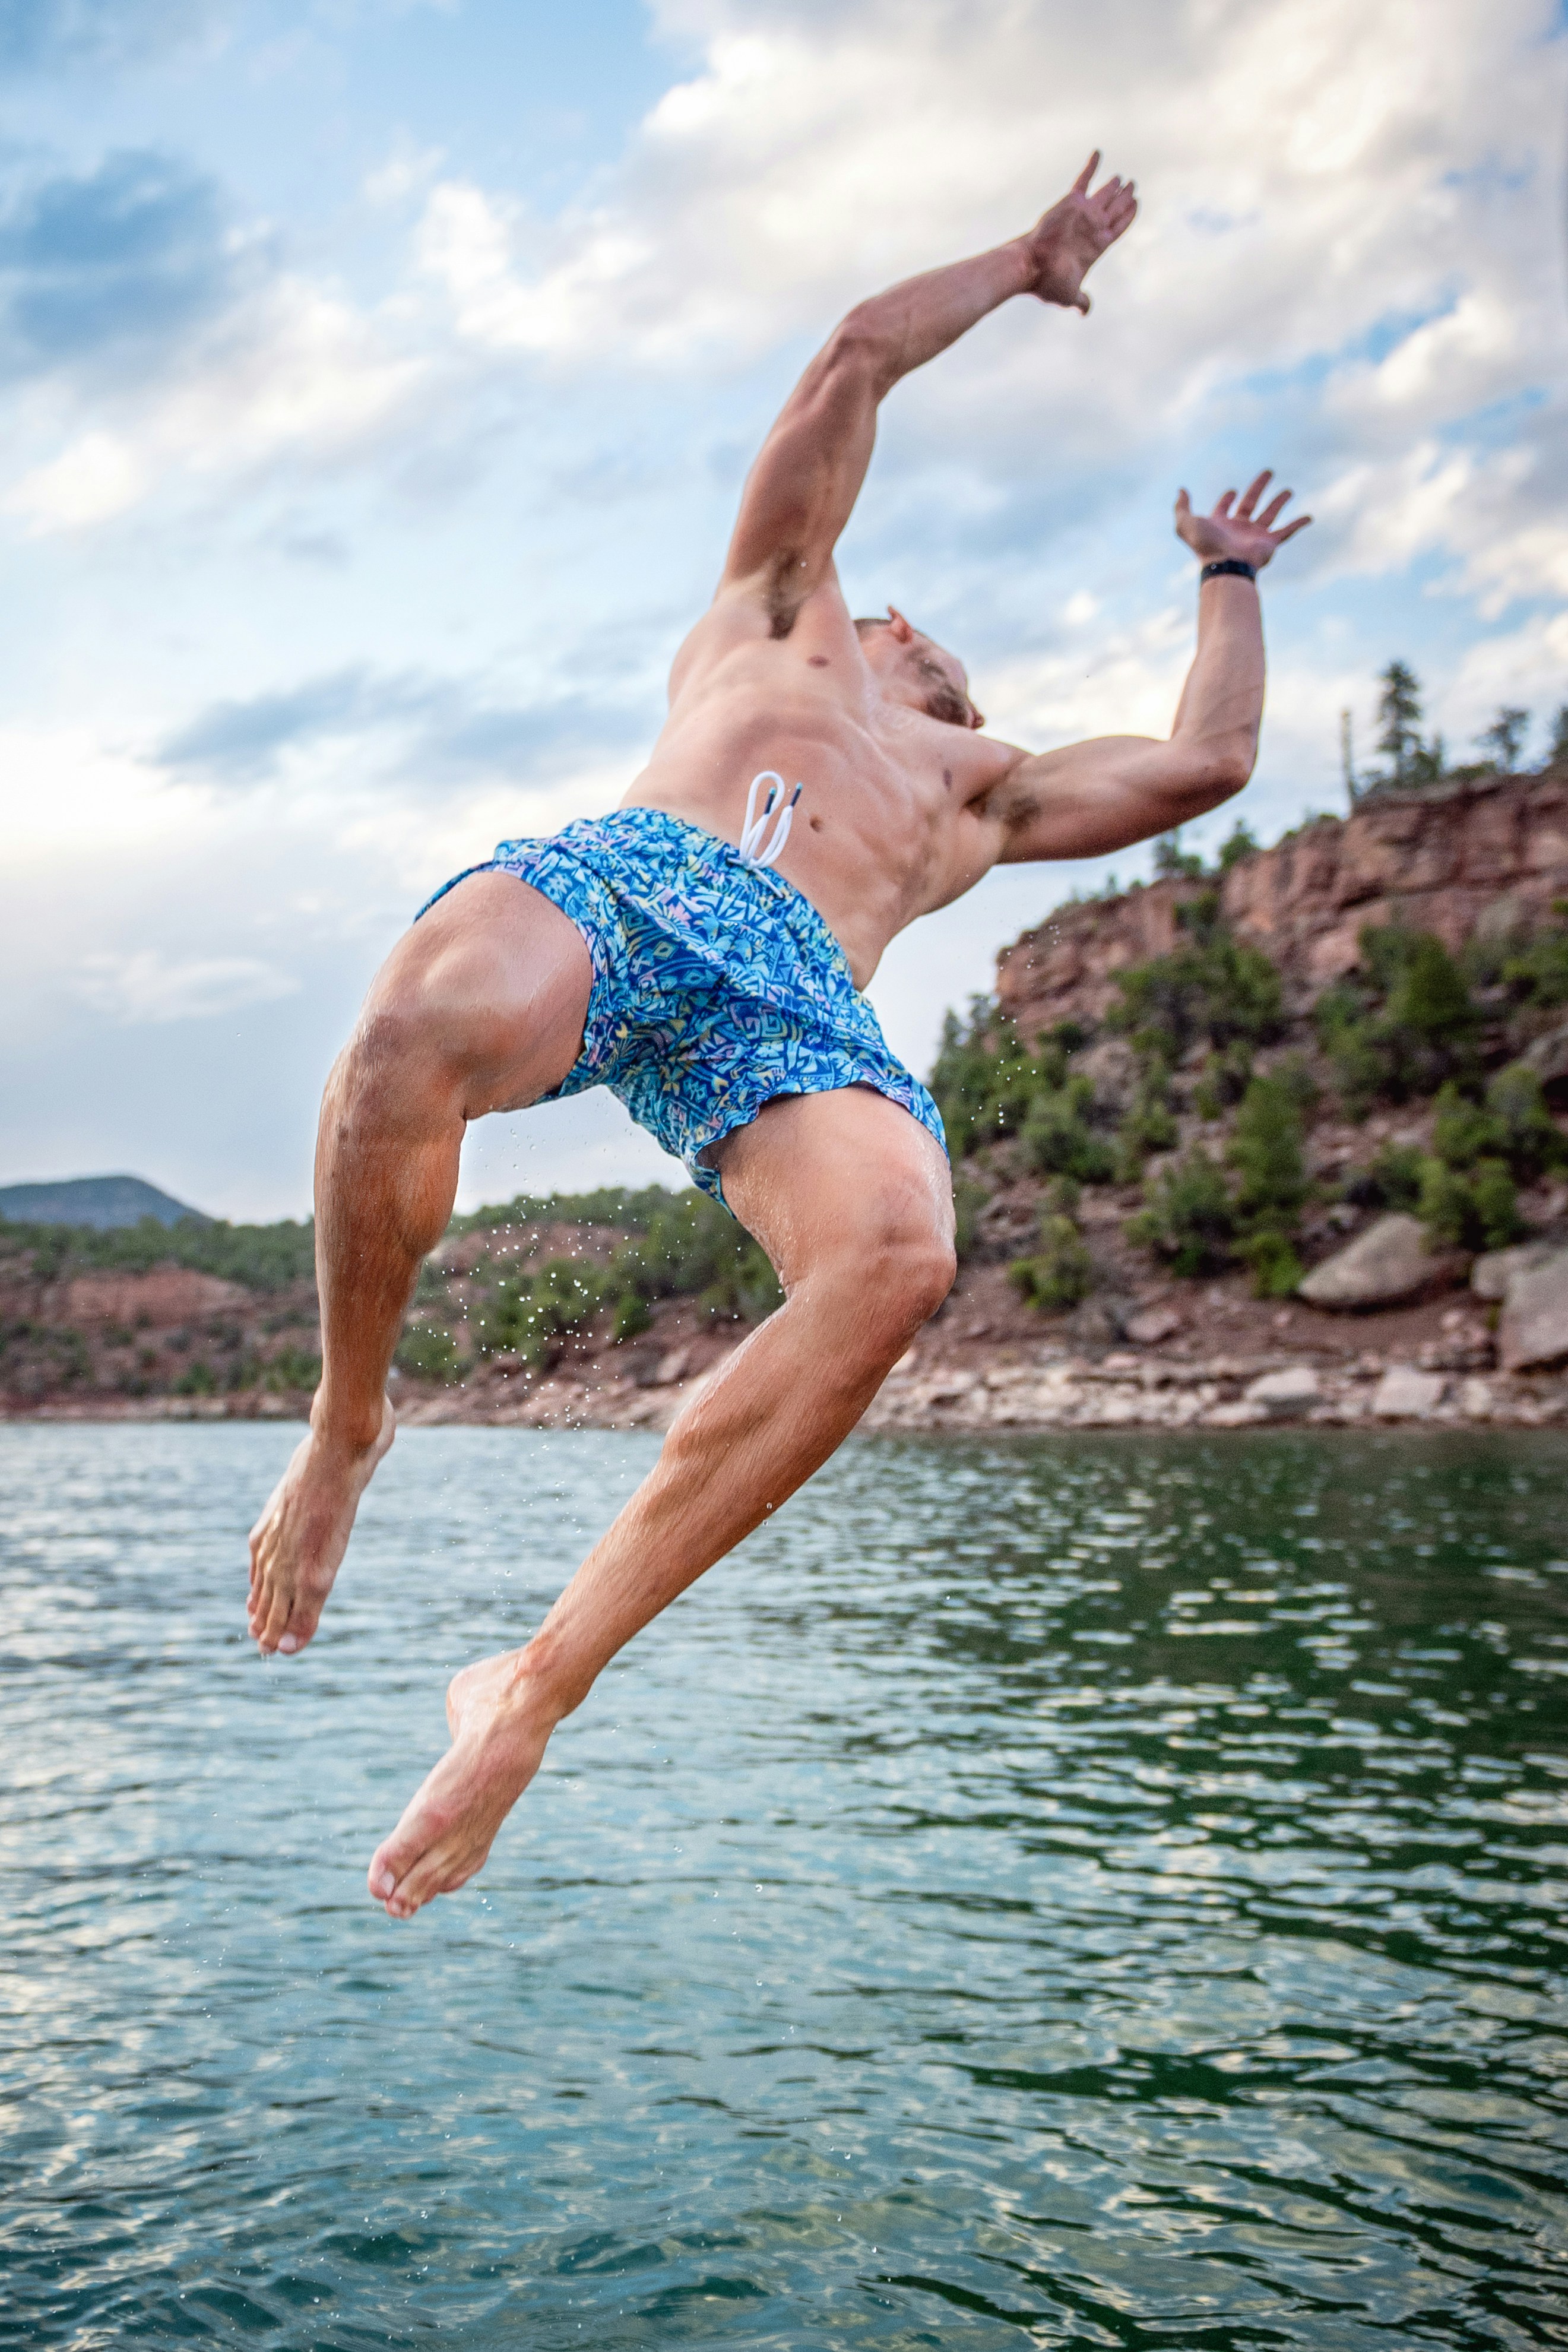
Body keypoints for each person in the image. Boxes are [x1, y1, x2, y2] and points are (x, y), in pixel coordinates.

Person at [246, 154, 1310, 1920]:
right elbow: (850, 361)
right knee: (413, 1027)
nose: (938, 665)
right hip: (640, 881)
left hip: (796, 1007)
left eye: (960, 679)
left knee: (898, 1245)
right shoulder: (784, 612)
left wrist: (1224, 577)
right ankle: (348, 1421)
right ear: (883, 622)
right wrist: (1028, 262)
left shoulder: (983, 796)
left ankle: (533, 1683)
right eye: (927, 647)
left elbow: (1206, 765)